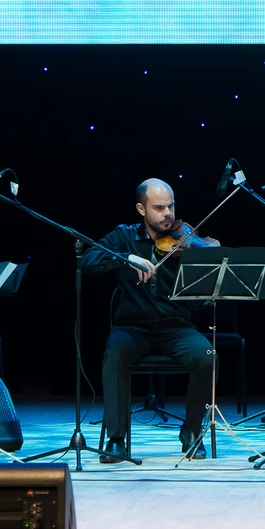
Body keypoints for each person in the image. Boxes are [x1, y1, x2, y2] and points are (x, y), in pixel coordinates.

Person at [83, 178, 217, 463]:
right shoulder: (123, 236)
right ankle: (116, 439)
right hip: (133, 329)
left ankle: (191, 431)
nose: (168, 214)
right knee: (115, 354)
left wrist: (208, 288)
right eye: (159, 208)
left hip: (176, 329)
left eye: (171, 206)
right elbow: (88, 260)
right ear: (141, 209)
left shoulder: (185, 242)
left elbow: (198, 301)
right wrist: (125, 258)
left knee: (207, 356)